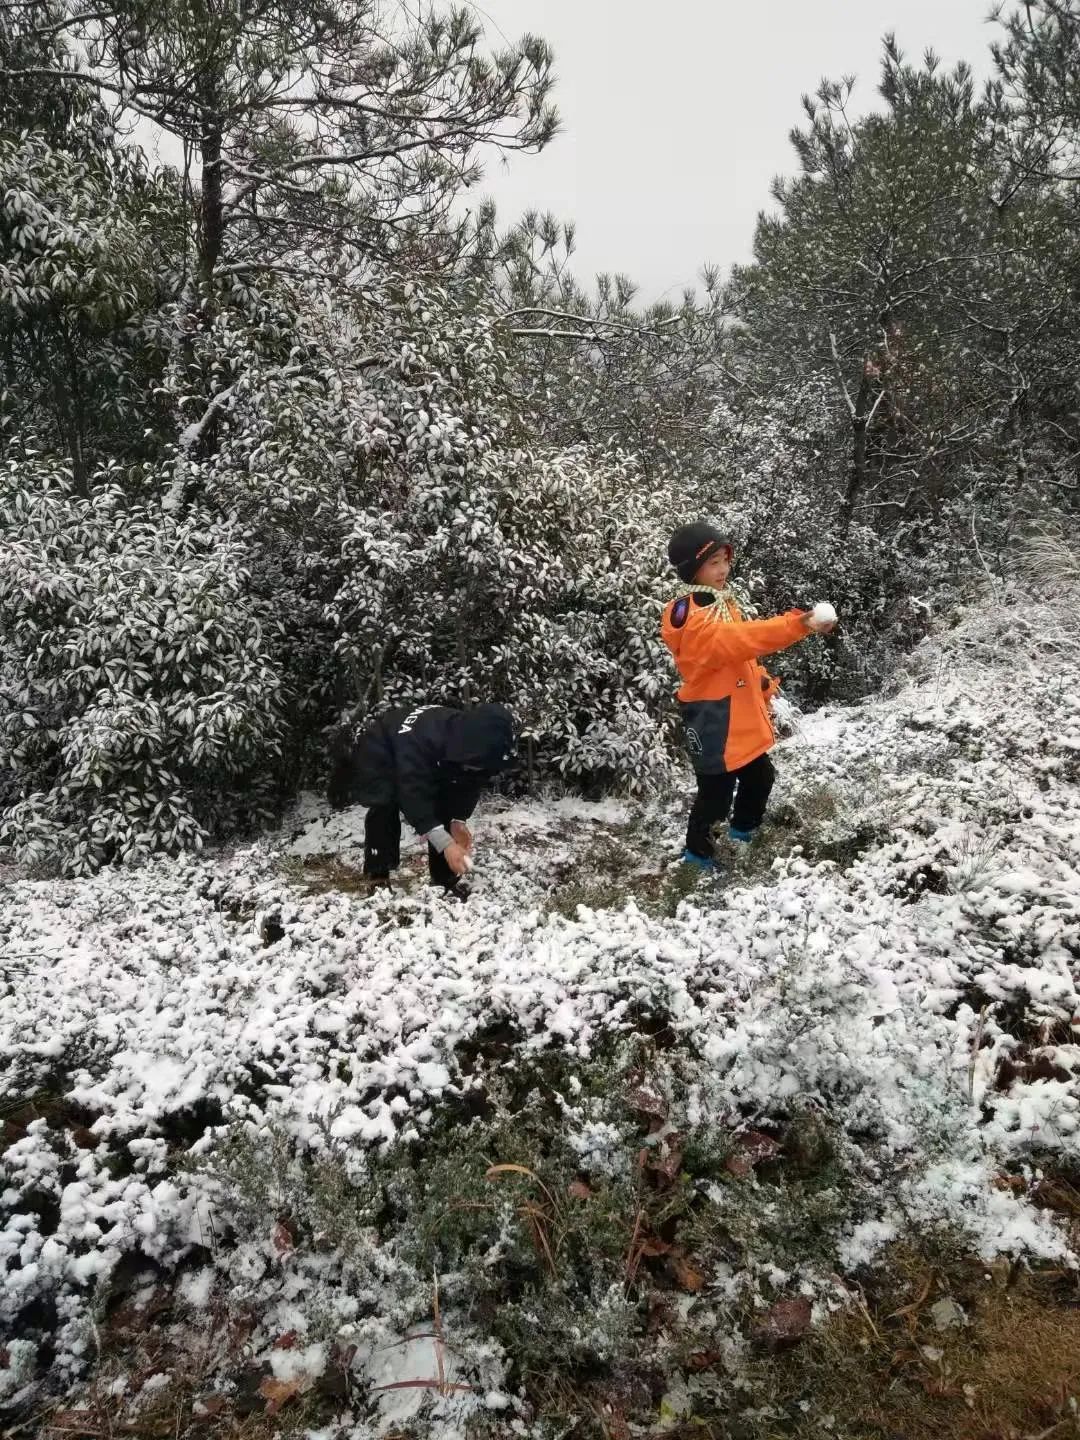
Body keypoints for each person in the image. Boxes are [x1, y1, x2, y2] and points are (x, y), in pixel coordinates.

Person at [660, 522, 836, 869]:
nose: (723, 568)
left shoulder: (716, 602)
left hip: (736, 713)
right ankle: (697, 859)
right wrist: (796, 624)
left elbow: (738, 658)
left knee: (759, 777)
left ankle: (742, 835)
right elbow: (736, 641)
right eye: (713, 562)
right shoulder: (691, 615)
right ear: (692, 568)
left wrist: (762, 683)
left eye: (724, 558)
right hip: (713, 719)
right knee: (715, 796)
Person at [328, 702, 516, 896]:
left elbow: (470, 782)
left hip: (422, 751)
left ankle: (444, 879)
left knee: (444, 807)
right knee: (384, 804)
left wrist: (458, 821)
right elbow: (412, 796)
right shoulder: (424, 745)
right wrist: (447, 845)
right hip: (384, 747)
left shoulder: (473, 741)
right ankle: (378, 876)